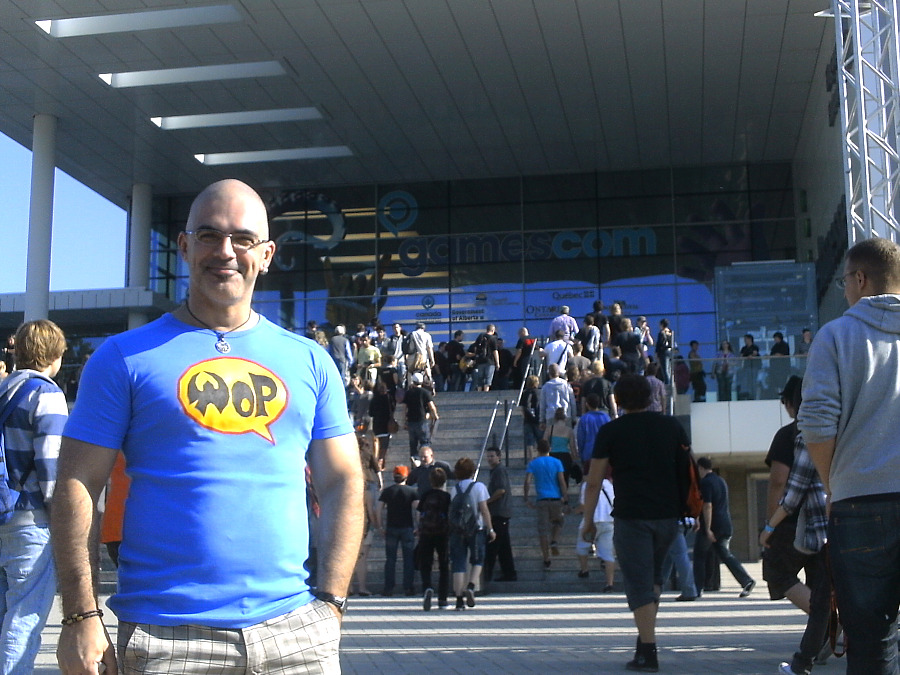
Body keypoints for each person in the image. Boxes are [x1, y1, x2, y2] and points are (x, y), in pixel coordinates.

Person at [52, 179, 363, 675]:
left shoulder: (311, 361)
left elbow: (343, 480)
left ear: (266, 255)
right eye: (209, 235)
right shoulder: (122, 358)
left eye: (243, 239)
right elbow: (77, 482)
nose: (226, 252)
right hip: (165, 637)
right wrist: (79, 616)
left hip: (295, 635)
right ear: (183, 246)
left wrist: (332, 603)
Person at [800, 237, 900, 674]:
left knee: (870, 641)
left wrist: (833, 482)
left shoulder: (836, 335)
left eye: (844, 282)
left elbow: (816, 423)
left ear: (861, 279)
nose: (844, 291)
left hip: (860, 503)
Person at [581, 374, 693, 672]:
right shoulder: (671, 426)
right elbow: (687, 468)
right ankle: (643, 644)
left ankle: (649, 652)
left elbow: (594, 482)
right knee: (653, 580)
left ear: (617, 400)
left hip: (631, 516)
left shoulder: (611, 431)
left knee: (639, 584)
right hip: (668, 516)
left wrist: (588, 520)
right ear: (650, 397)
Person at [0, 320, 68, 674]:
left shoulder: (4, 390)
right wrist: (63, 518)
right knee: (24, 617)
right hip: (30, 521)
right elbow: (51, 463)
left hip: (2, 513)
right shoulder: (46, 394)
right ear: (55, 355)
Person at [759, 429, 830, 675]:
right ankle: (817, 646)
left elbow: (786, 486)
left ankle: (835, 623)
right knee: (823, 587)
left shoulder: (805, 434)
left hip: (805, 524)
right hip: (837, 520)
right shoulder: (847, 426)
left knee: (778, 574)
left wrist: (770, 526)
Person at [763, 376, 816, 614]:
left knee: (777, 572)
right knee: (820, 580)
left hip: (792, 521)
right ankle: (825, 627)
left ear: (791, 402)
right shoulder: (833, 431)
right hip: (827, 519)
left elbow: (778, 481)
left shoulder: (788, 434)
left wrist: (771, 524)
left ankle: (831, 619)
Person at [692, 457, 756, 599]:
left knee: (699, 555)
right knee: (725, 555)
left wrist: (707, 528)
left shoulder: (706, 482)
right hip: (725, 523)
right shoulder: (721, 481)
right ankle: (746, 580)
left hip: (713, 525)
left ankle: (697, 588)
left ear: (701, 468)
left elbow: (707, 506)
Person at [448, 457, 495, 611]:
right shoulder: (479, 487)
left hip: (458, 530)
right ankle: (471, 585)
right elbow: (484, 509)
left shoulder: (455, 489)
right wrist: (491, 529)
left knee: (458, 563)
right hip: (476, 529)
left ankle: (459, 600)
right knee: (478, 559)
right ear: (472, 471)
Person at [524, 439, 568, 569]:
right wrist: (565, 497)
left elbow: (527, 481)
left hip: (541, 499)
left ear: (537, 449)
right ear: (550, 449)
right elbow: (561, 481)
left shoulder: (533, 463)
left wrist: (526, 498)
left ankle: (546, 559)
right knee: (558, 521)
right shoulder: (557, 462)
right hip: (555, 498)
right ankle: (554, 540)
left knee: (542, 530)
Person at [378, 465, 418, 597]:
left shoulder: (387, 491)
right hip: (407, 527)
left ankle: (388, 588)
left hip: (391, 528)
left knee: (390, 559)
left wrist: (380, 526)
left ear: (393, 476)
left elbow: (378, 509)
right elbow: (418, 509)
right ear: (406, 476)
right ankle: (408, 587)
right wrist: (418, 526)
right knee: (408, 559)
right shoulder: (412, 491)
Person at [416, 467, 451, 611]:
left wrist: (419, 528)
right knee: (444, 565)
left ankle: (427, 587)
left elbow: (419, 513)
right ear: (444, 481)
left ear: (430, 481)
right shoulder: (447, 497)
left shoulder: (426, 495)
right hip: (442, 533)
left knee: (426, 563)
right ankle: (443, 599)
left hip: (426, 532)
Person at [483, 446, 518, 583]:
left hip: (500, 512)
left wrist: (487, 502)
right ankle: (509, 573)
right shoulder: (494, 471)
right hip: (499, 512)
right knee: (503, 546)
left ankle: (486, 574)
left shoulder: (499, 471)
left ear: (499, 457)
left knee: (492, 545)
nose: (489, 458)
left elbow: (501, 490)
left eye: (492, 456)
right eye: (488, 456)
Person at [575, 476, 616, 591]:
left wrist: (573, 510)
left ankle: (584, 569)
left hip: (591, 521)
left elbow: (583, 506)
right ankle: (609, 584)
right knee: (608, 554)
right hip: (608, 521)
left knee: (581, 547)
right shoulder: (609, 485)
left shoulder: (587, 484)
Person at [403, 372, 439, 461]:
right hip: (422, 421)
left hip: (411, 421)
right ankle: (425, 459)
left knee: (413, 444)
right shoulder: (425, 392)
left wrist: (404, 420)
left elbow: (405, 408)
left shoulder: (408, 393)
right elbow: (431, 406)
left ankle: (414, 460)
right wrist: (435, 416)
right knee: (425, 442)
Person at [575, 393, 611, 475]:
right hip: (604, 454)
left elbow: (580, 439)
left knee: (589, 479)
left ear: (587, 404)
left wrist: (581, 455)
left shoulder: (584, 419)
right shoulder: (606, 417)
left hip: (589, 454)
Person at [543, 407, 578, 487]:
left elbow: (544, 444)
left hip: (553, 455)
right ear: (565, 418)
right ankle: (564, 493)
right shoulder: (569, 430)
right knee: (565, 480)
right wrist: (575, 458)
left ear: (555, 417)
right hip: (565, 457)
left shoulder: (550, 429)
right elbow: (573, 447)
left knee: (553, 480)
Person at [540, 363, 576, 427]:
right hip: (566, 414)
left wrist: (542, 420)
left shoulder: (545, 387)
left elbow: (542, 405)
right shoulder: (566, 385)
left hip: (551, 415)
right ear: (559, 373)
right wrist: (574, 418)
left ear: (549, 373)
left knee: (552, 433)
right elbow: (572, 402)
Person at [469, 324, 500, 392]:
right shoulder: (493, 338)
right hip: (490, 361)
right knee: (488, 379)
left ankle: (479, 392)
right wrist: (497, 363)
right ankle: (486, 393)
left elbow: (475, 347)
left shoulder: (481, 336)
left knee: (480, 379)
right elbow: (495, 351)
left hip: (480, 361)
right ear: (493, 330)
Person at [655, 319, 675, 384]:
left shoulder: (661, 333)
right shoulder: (670, 332)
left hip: (663, 352)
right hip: (669, 351)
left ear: (662, 325)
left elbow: (659, 344)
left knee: (665, 369)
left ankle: (667, 383)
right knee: (669, 368)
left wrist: (656, 353)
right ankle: (670, 383)